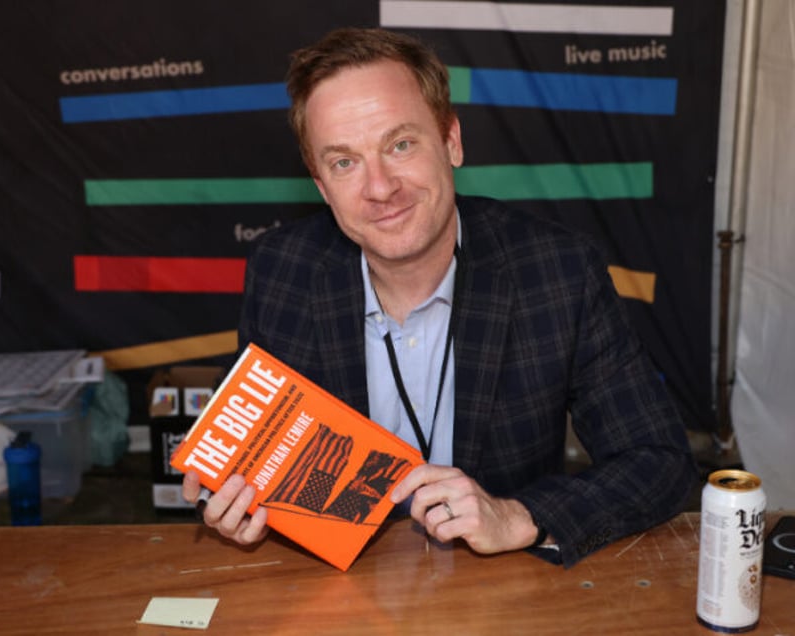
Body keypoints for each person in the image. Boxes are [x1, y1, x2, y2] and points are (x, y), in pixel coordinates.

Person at [183, 27, 697, 566]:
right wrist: (236, 502)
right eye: (344, 162)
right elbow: (239, 458)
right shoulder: (281, 269)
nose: (380, 188)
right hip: (339, 590)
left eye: (400, 144)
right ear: (319, 184)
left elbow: (658, 460)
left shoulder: (559, 270)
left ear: (451, 141)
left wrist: (520, 516)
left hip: (500, 586)